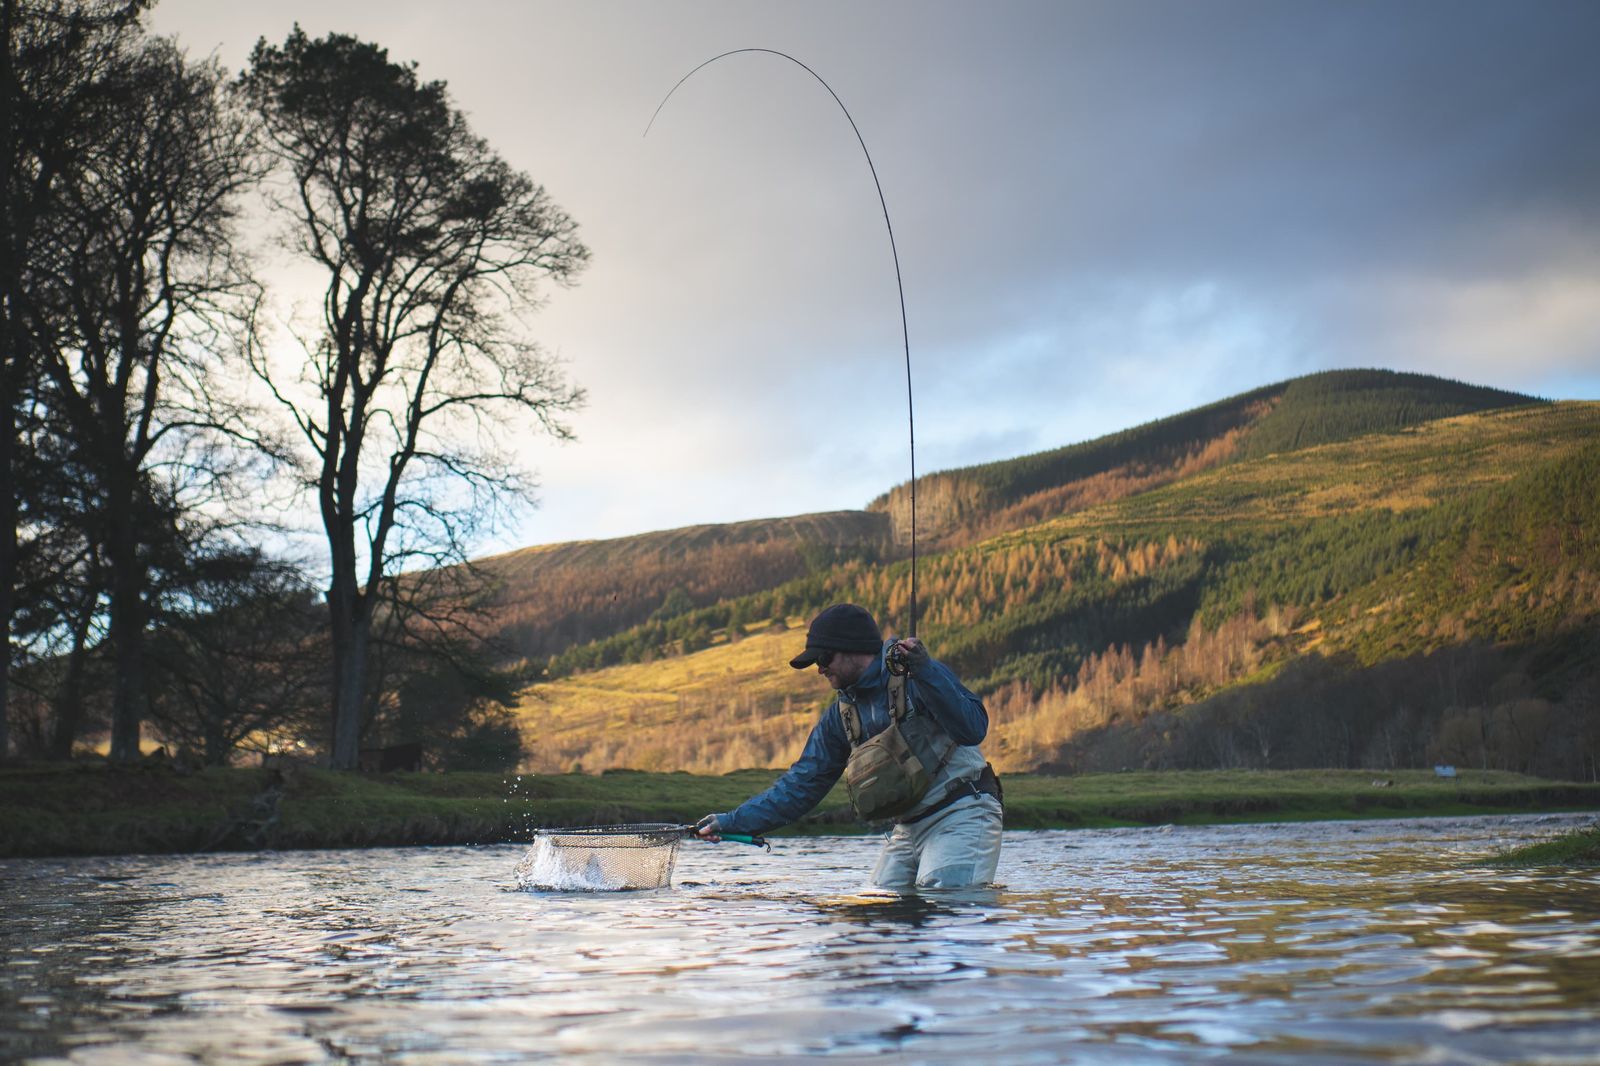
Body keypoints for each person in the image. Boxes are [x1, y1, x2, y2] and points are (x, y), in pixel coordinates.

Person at [696, 603, 1002, 890]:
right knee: (881, 904)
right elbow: (801, 785)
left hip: (962, 811)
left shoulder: (918, 674)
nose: (819, 669)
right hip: (907, 829)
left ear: (853, 650)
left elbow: (973, 728)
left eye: (824, 658)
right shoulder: (839, 716)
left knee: (944, 898)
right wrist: (731, 821)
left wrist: (926, 671)